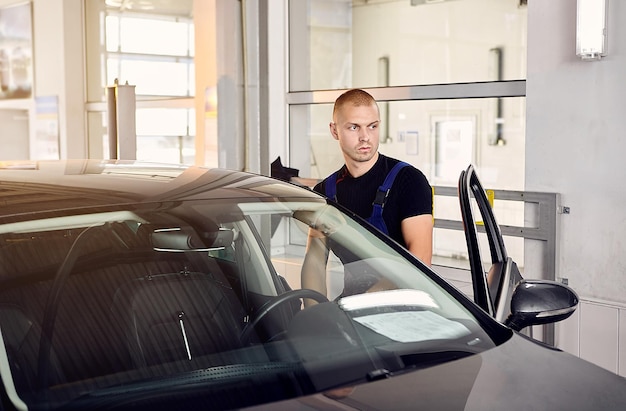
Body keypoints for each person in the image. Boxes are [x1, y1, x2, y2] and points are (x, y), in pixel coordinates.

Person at [301, 89, 433, 303]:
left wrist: (365, 304)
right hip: (352, 309)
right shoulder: (325, 192)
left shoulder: (409, 181)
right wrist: (314, 313)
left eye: (372, 126)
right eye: (354, 127)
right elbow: (314, 261)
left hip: (405, 309)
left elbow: (420, 261)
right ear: (335, 131)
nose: (365, 137)